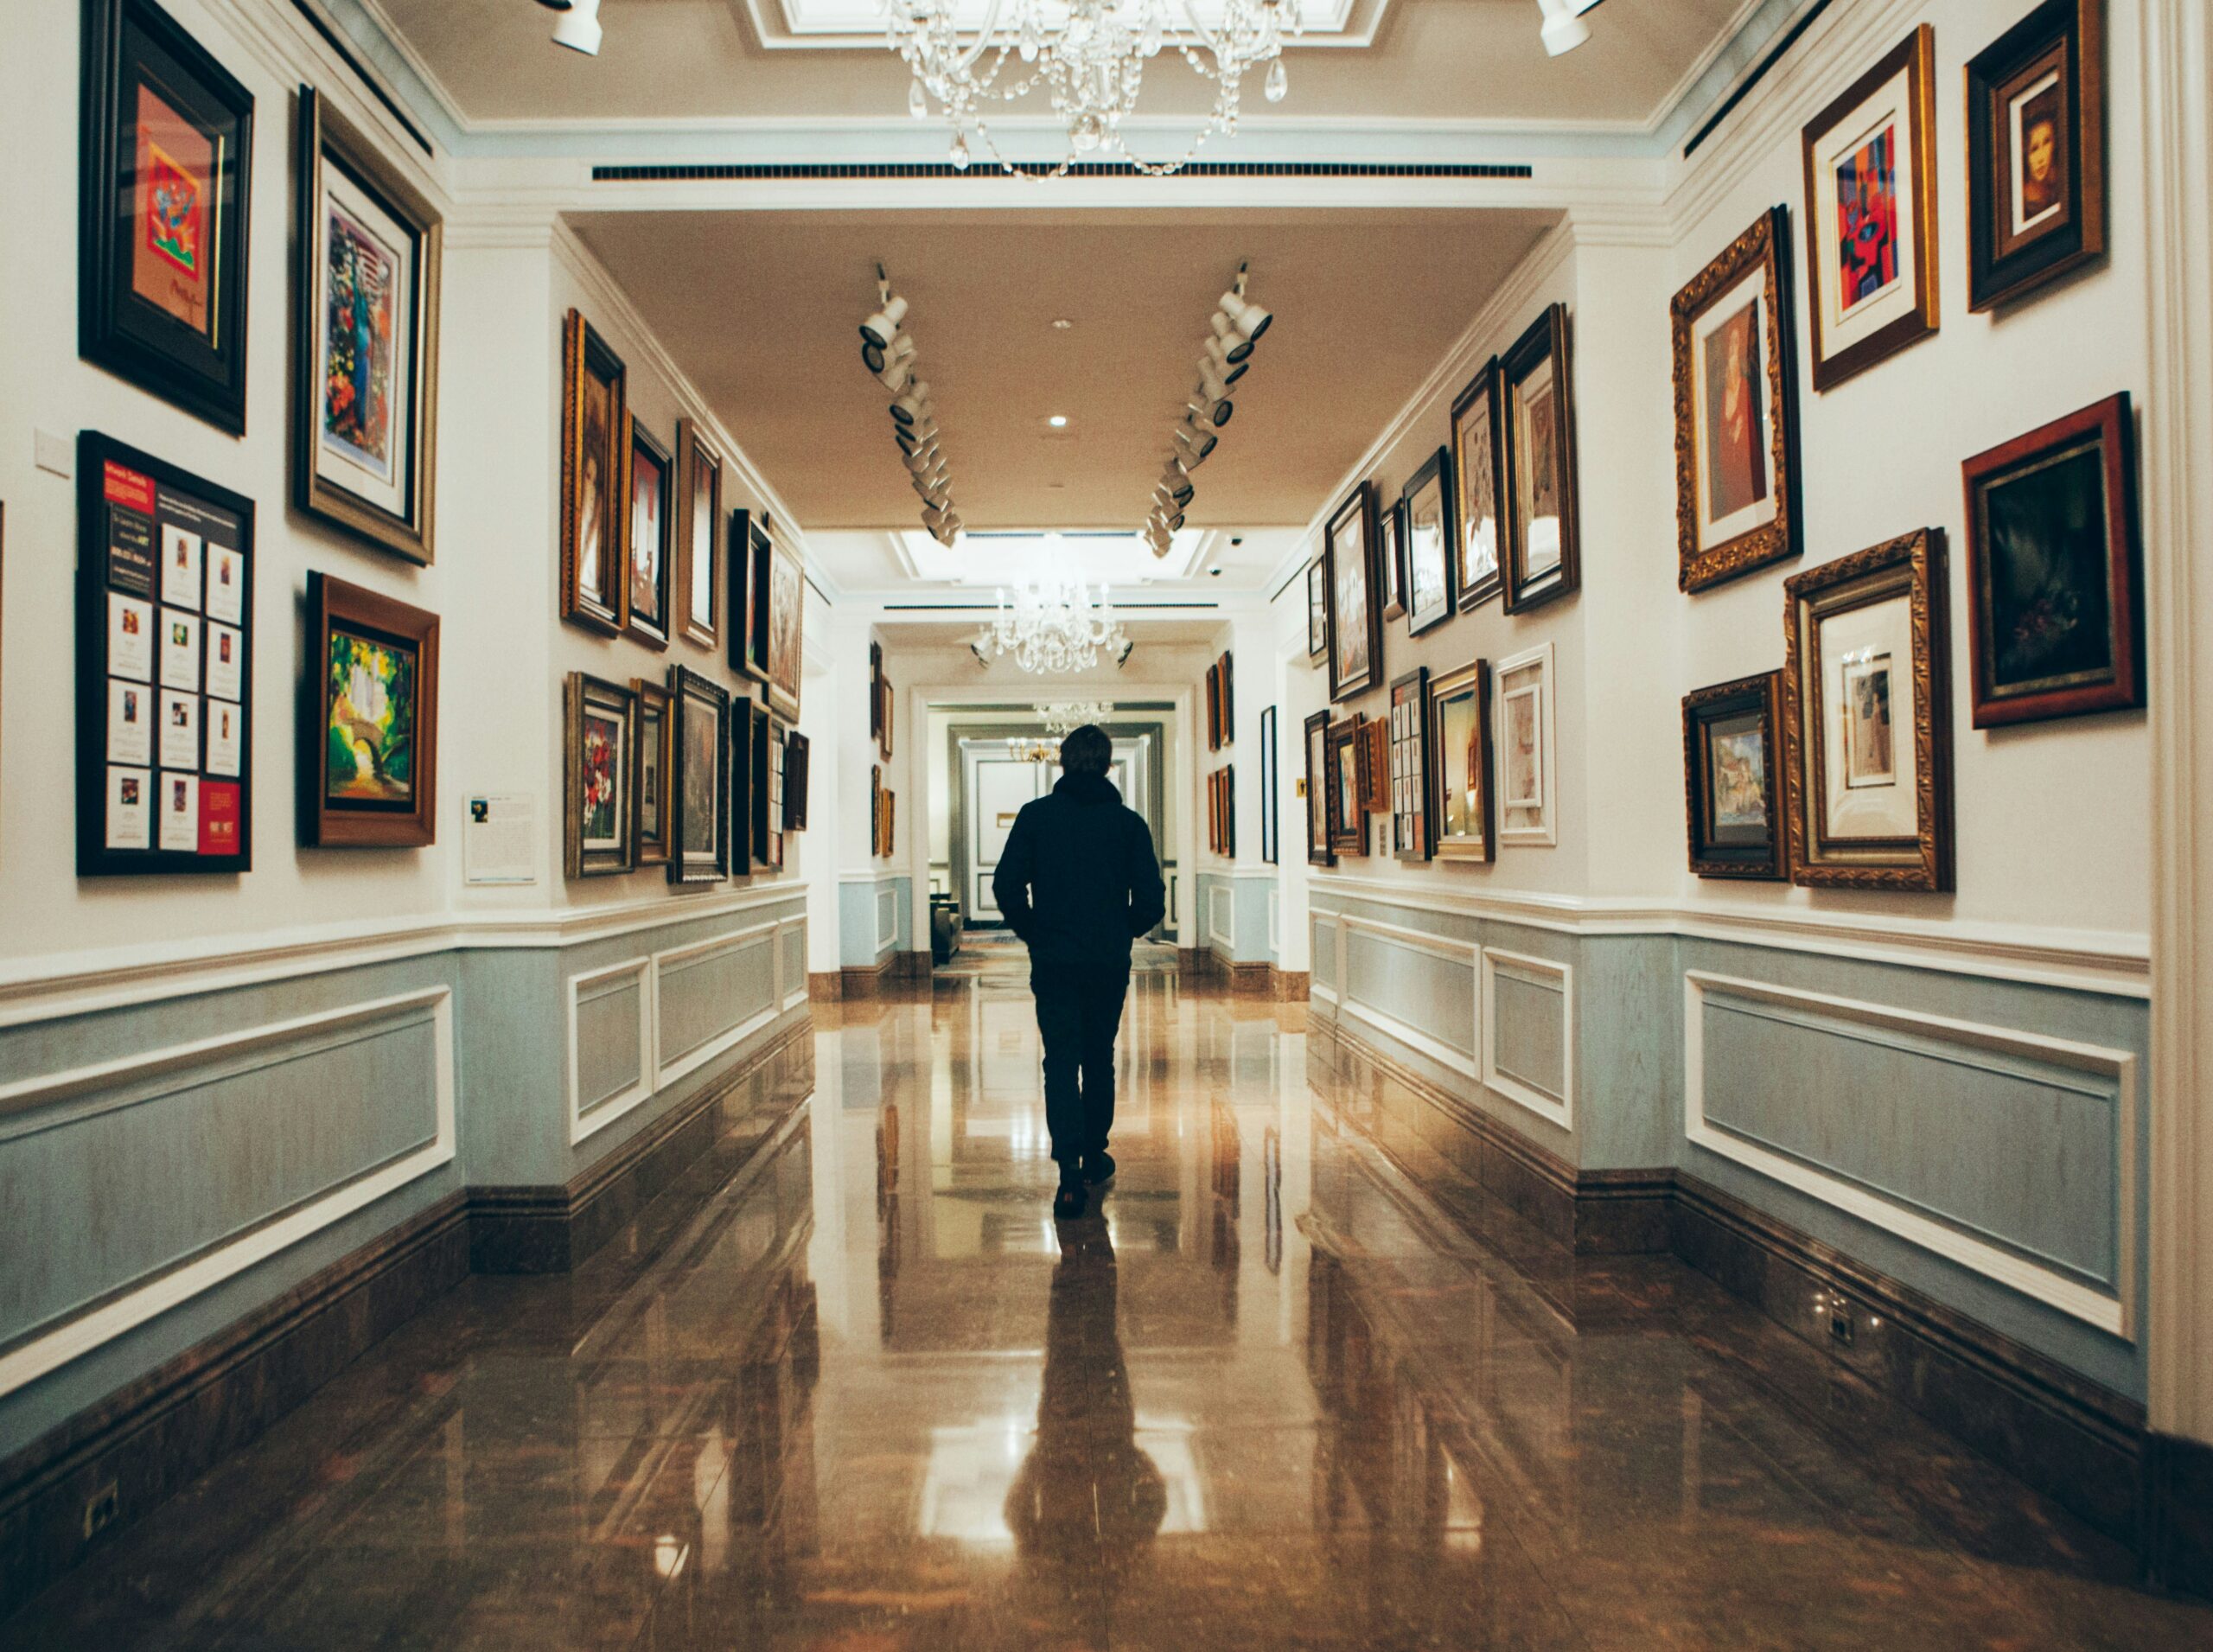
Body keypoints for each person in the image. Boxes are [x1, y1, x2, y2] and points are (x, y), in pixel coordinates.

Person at [992, 725, 1166, 1219]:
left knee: (1060, 1061)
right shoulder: (1128, 825)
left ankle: (1069, 1176)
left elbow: (1006, 886)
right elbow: (1151, 901)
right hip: (1106, 963)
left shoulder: (1036, 817)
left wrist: (1035, 932)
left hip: (1054, 962)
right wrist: (1121, 930)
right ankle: (1094, 1155)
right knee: (1098, 1057)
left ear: (1062, 763)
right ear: (1108, 766)